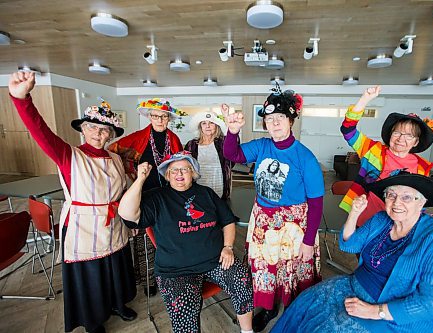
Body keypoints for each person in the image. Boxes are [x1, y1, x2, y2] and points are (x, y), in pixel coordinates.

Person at [8, 71, 136, 333]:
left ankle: (117, 303)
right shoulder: (69, 156)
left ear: (110, 134)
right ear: (83, 129)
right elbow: (41, 132)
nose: (98, 134)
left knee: (116, 266)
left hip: (115, 224)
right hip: (84, 226)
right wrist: (22, 99)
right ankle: (93, 320)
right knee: (91, 275)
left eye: (104, 130)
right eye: (92, 128)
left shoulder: (115, 159)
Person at [271, 171, 433, 333]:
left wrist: (375, 311)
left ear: (422, 203)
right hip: (354, 287)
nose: (396, 203)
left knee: (326, 327)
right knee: (306, 301)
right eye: (391, 195)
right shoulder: (382, 219)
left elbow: (432, 303)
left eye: (406, 197)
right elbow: (349, 245)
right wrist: (354, 213)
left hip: (394, 317)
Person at [223, 87, 325, 332]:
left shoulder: (305, 157)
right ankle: (269, 308)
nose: (275, 123)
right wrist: (233, 130)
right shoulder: (261, 146)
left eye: (280, 118)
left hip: (294, 226)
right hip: (263, 222)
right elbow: (232, 153)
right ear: (265, 124)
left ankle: (293, 310)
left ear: (290, 121)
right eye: (269, 119)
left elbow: (316, 203)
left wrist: (308, 241)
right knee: (266, 269)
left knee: (292, 271)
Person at [117, 151, 254, 333]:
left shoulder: (206, 193)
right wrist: (140, 180)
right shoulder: (157, 197)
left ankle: (247, 331)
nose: (179, 174)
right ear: (167, 175)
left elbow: (227, 221)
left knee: (241, 278)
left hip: (216, 261)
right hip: (175, 271)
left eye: (184, 169)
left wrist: (228, 247)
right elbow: (126, 213)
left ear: (193, 173)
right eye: (173, 171)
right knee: (185, 309)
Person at [108, 97, 183, 296]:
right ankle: (148, 281)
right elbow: (112, 152)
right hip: (143, 195)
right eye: (156, 116)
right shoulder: (139, 137)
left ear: (168, 118)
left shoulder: (174, 139)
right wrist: (129, 173)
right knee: (144, 240)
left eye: (164, 116)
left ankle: (169, 276)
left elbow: (181, 165)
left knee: (168, 237)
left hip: (168, 196)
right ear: (149, 117)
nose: (159, 120)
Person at [339, 86, 433, 225]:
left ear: (416, 142)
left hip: (399, 223)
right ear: (390, 135)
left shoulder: (421, 167)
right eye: (397, 132)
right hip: (366, 216)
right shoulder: (373, 150)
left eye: (409, 135)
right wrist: (365, 99)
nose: (401, 139)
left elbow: (419, 199)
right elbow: (348, 130)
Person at [184, 109, 234, 199]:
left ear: (216, 126)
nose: (207, 126)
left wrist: (226, 116)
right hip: (198, 189)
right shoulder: (191, 145)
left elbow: (234, 145)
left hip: (219, 188)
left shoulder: (223, 143)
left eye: (211, 123)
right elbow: (186, 167)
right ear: (200, 127)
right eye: (204, 123)